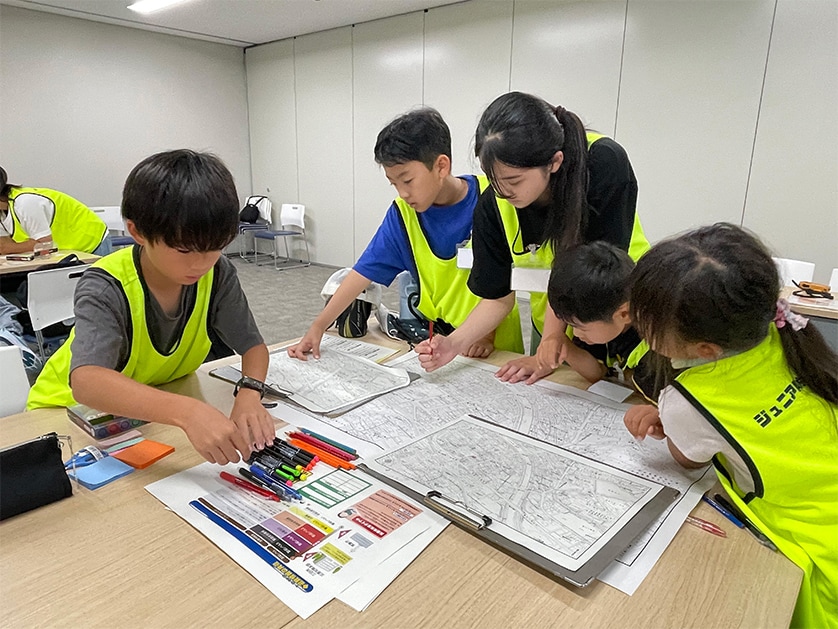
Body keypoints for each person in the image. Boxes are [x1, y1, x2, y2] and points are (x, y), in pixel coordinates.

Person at [623, 223, 838, 628]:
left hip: (818, 554)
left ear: (706, 349)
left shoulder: (688, 401)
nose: (639, 327)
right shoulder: (780, 331)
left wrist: (671, 423)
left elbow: (686, 460)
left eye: (647, 324)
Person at [27, 150, 275, 465]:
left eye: (215, 247)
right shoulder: (106, 284)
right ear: (138, 232)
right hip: (66, 416)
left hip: (146, 413)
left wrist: (250, 392)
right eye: (184, 250)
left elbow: (253, 347)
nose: (201, 263)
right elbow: (87, 382)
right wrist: (188, 411)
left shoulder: (217, 273)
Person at [416, 92, 648, 380]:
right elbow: (497, 298)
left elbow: (594, 276)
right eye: (494, 180)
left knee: (639, 386)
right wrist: (452, 344)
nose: (504, 192)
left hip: (622, 311)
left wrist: (551, 340)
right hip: (565, 320)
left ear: (554, 162)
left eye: (514, 180)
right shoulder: (493, 205)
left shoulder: (602, 164)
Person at [287, 107, 523, 361]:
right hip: (439, 342)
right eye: (394, 183)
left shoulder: (495, 199)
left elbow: (504, 283)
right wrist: (319, 326)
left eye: (408, 180)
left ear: (441, 166)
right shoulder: (403, 215)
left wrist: (485, 336)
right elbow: (362, 272)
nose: (403, 193)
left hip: (492, 344)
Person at [546, 241, 664, 400]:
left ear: (624, 314)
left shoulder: (657, 342)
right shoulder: (602, 314)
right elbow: (598, 372)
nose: (576, 333)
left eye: (581, 328)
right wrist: (566, 346)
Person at [0, 166, 112, 256]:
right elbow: (5, 243)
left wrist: (7, 248)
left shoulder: (25, 203)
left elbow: (44, 245)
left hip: (90, 243)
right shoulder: (3, 211)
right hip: (64, 250)